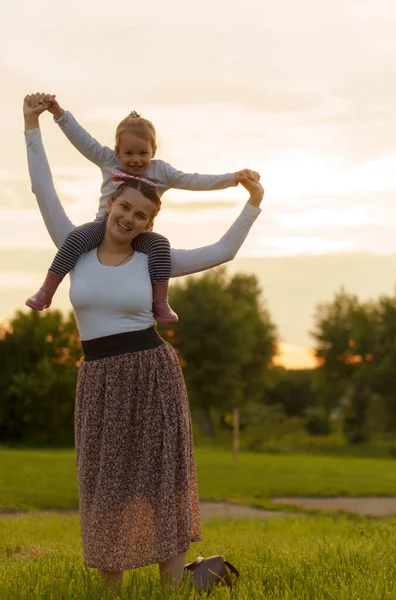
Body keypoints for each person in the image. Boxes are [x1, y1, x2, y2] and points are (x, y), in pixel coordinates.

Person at [23, 93, 264, 591]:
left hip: (152, 372)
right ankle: (114, 586)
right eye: (124, 208)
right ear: (111, 203)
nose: (129, 219)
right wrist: (32, 125)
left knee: (161, 483)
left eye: (141, 216)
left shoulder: (154, 261)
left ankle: (174, 585)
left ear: (150, 224)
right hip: (98, 378)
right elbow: (42, 188)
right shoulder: (75, 247)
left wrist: (252, 205)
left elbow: (221, 251)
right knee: (105, 486)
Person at [26, 93, 258, 323]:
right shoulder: (108, 161)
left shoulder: (162, 172)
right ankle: (47, 290)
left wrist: (233, 178)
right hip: (102, 226)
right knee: (75, 239)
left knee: (160, 246)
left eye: (143, 153)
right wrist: (58, 113)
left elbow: (195, 180)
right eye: (128, 153)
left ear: (153, 151)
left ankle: (160, 302)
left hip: (140, 234)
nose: (136, 160)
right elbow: (82, 140)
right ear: (117, 151)